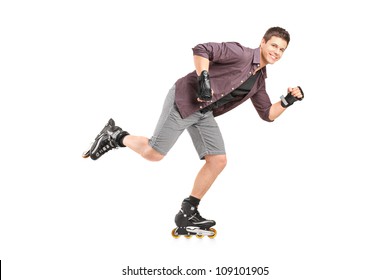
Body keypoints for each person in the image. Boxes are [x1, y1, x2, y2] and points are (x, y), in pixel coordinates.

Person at [82, 26, 304, 238]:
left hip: (204, 112)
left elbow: (267, 114)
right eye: (274, 45)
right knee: (154, 153)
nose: (276, 52)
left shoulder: (259, 81)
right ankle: (115, 135)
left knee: (218, 160)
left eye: (282, 49)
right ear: (263, 42)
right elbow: (202, 49)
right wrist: (204, 77)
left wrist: (288, 100)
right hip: (184, 101)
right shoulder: (241, 53)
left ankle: (188, 212)